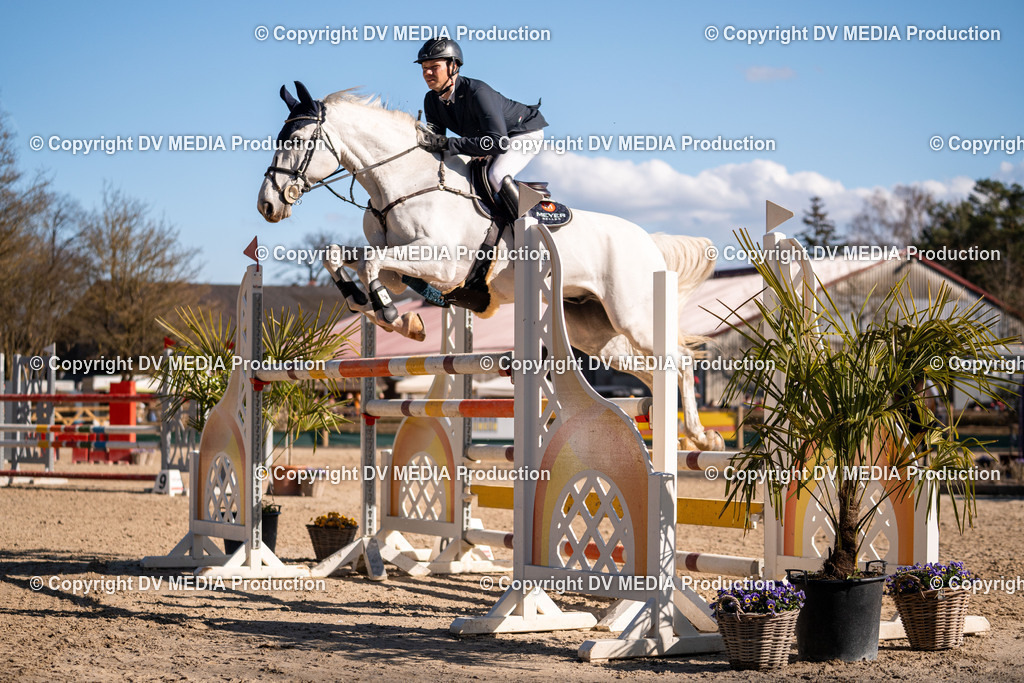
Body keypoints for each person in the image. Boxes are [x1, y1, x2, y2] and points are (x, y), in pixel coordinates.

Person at [415, 37, 547, 221]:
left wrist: (447, 144)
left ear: (453, 67)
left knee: (497, 175)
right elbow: (436, 146)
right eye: (423, 68)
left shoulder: (478, 92)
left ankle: (531, 229)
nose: (427, 73)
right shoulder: (431, 100)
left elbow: (497, 143)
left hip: (523, 133)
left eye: (434, 67)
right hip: (492, 139)